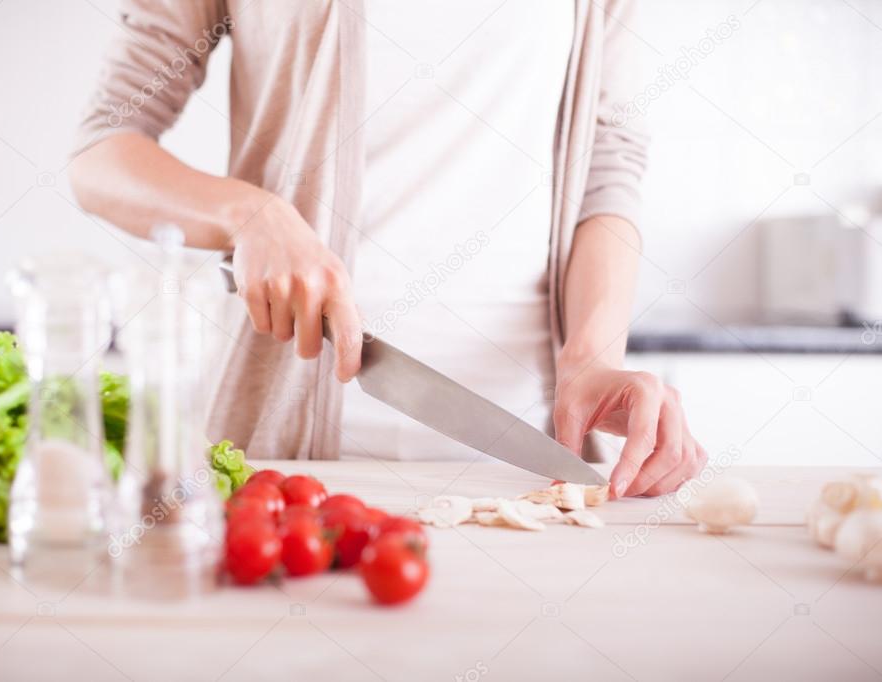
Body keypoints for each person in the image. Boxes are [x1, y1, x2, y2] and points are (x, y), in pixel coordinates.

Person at [70, 0, 707, 498]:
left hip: (529, 456)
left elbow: (608, 166)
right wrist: (248, 214)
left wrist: (593, 359)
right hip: (281, 449)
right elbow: (102, 151)